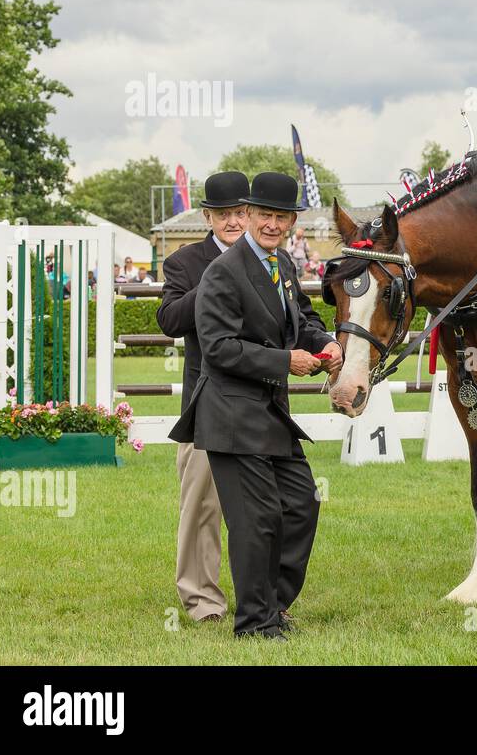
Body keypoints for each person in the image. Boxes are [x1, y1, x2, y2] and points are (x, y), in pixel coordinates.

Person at [169, 172, 343, 640]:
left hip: (269, 413)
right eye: (264, 214)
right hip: (228, 413)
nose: (271, 224)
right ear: (250, 214)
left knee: (302, 503)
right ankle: (254, 622)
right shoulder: (221, 273)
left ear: (290, 220)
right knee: (257, 519)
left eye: (280, 217)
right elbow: (220, 347)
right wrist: (287, 361)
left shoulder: (282, 264)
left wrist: (326, 342)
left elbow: (301, 319)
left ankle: (273, 603)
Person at [156, 170, 250, 624]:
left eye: (240, 212)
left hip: (259, 404)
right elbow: (171, 320)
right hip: (205, 404)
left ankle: (264, 598)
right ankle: (201, 601)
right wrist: (217, 277)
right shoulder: (185, 262)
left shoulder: (271, 259)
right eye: (223, 214)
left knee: (261, 508)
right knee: (202, 509)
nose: (233, 221)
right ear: (207, 217)